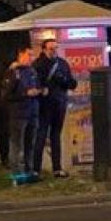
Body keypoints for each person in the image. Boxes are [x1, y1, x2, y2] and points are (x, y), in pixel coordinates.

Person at [32, 38, 77, 178]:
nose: (54, 51)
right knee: (41, 135)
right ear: (44, 49)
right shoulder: (38, 64)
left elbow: (72, 83)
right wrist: (41, 88)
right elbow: (34, 83)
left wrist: (64, 79)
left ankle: (57, 168)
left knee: (56, 135)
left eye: (56, 48)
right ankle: (36, 169)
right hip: (44, 105)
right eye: (51, 48)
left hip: (59, 103)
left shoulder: (62, 63)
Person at [4, 44, 43, 183]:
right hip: (19, 114)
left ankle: (29, 171)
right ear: (20, 55)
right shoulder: (14, 72)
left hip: (32, 112)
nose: (31, 58)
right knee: (17, 144)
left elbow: (37, 85)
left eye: (32, 55)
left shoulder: (32, 71)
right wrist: (24, 93)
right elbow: (6, 94)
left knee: (30, 144)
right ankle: (17, 174)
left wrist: (39, 91)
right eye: (29, 55)